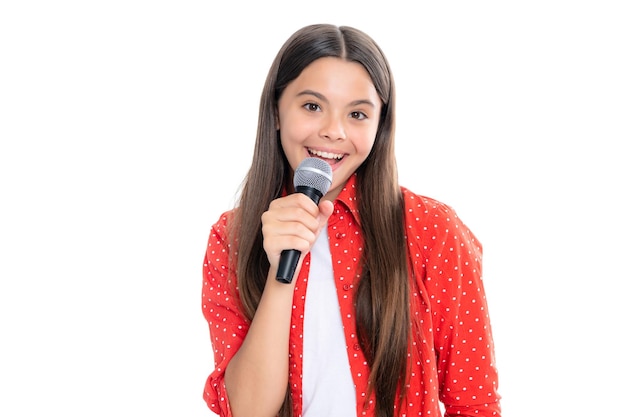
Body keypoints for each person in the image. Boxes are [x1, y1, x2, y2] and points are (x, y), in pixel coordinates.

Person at [201, 23, 501, 417]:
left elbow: (474, 404)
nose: (333, 131)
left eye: (357, 114)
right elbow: (248, 409)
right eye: (312, 106)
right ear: (276, 112)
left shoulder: (432, 230)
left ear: (379, 126)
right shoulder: (234, 236)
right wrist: (280, 273)